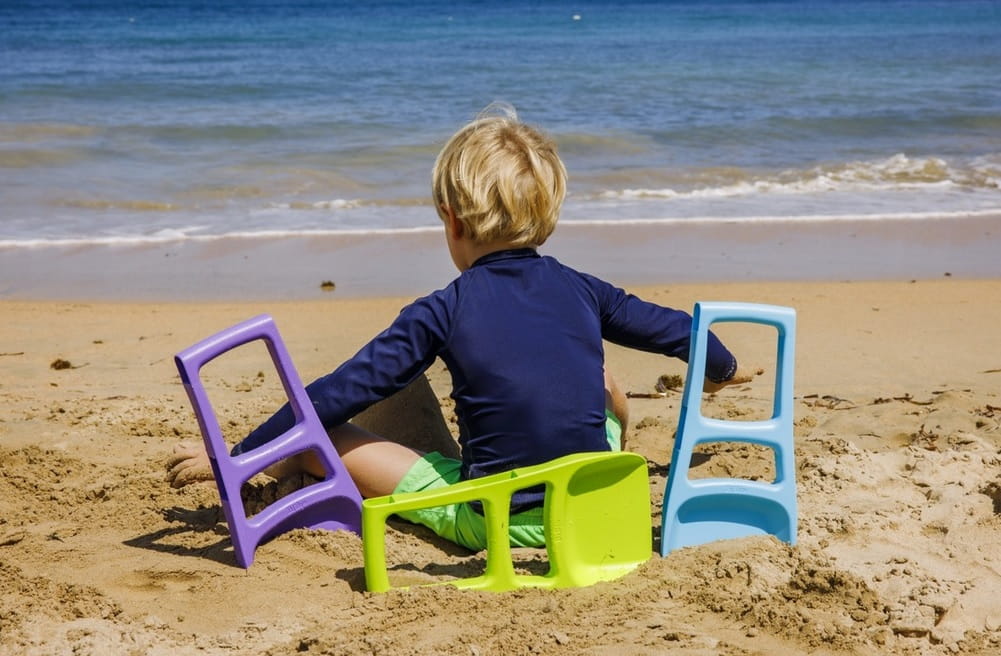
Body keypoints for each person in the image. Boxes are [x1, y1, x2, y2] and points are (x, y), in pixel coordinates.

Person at [166, 105, 759, 551]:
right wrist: (722, 370)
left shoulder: (441, 309)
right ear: (548, 214)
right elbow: (678, 331)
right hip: (596, 499)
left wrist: (240, 454)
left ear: (451, 221)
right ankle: (606, 445)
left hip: (497, 519)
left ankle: (276, 465)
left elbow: (335, 394)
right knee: (602, 381)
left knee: (328, 438)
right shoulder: (584, 288)